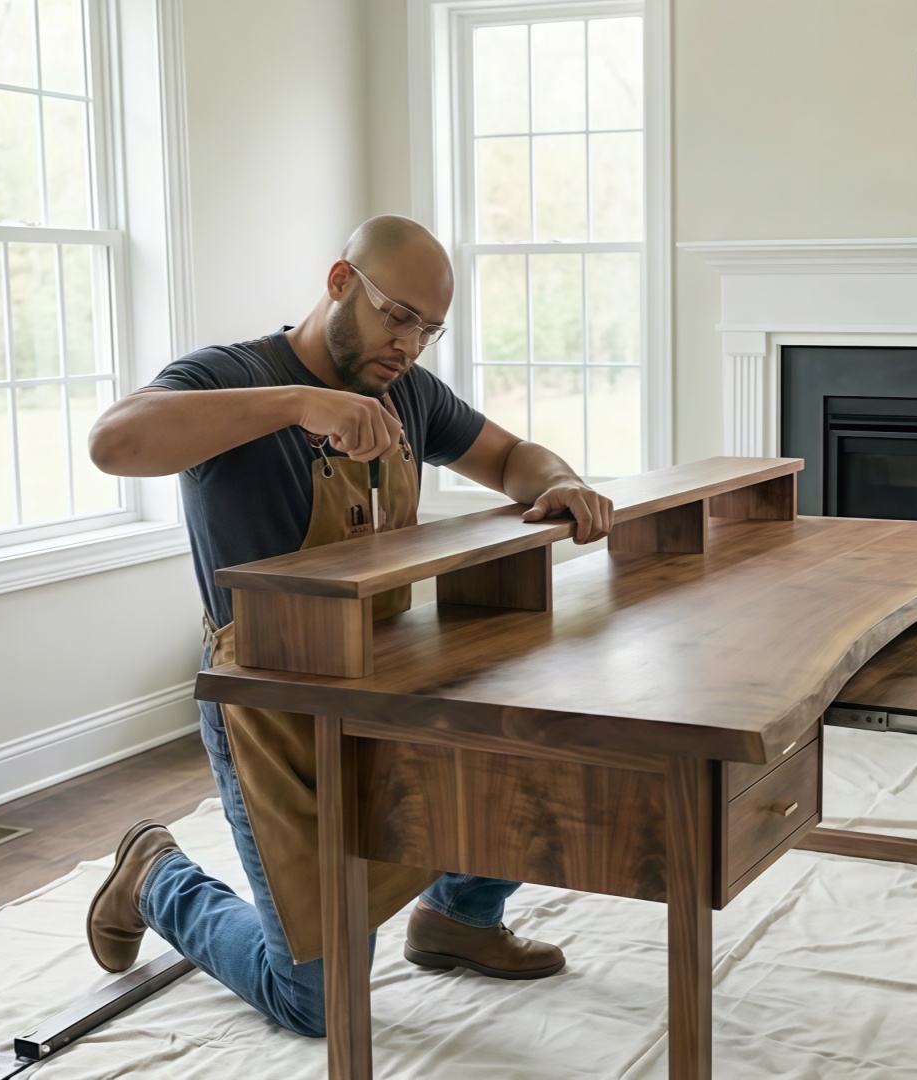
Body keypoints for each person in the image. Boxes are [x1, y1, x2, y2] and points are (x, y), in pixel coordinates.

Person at [82, 215, 615, 1037]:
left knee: (516, 732)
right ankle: (154, 877)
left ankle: (460, 918)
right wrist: (298, 404)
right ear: (339, 283)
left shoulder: (406, 390)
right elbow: (114, 443)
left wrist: (565, 480)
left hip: (387, 675)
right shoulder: (231, 374)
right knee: (319, 1003)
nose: (408, 344)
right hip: (269, 704)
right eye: (396, 316)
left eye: (428, 330)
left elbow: (512, 460)